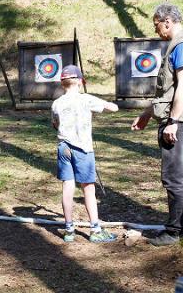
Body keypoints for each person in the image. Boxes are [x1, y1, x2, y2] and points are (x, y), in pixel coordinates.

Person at [132, 3, 183, 246]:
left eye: (156, 25)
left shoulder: (180, 45)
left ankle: (173, 231)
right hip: (175, 119)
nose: (156, 31)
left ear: (167, 22)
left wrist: (173, 121)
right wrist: (146, 114)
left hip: (177, 124)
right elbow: (168, 91)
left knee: (173, 178)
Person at [51, 65, 119, 243]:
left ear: (62, 83)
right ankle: (95, 230)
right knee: (88, 188)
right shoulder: (86, 99)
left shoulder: (56, 103)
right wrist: (106, 104)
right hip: (82, 149)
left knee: (68, 186)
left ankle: (68, 230)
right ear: (80, 82)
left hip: (63, 147)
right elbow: (114, 108)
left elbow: (55, 124)